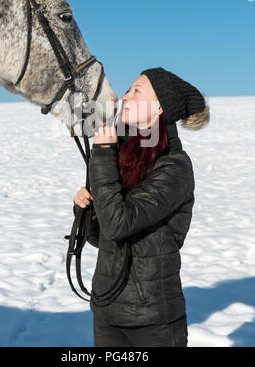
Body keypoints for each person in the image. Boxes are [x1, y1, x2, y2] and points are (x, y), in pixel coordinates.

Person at [73, 67, 210, 347]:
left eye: (137, 91)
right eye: (128, 89)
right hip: (107, 312)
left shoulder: (174, 166)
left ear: (160, 106)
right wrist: (86, 209)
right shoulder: (124, 157)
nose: (125, 97)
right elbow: (103, 237)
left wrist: (101, 155)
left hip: (153, 323)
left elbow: (119, 223)